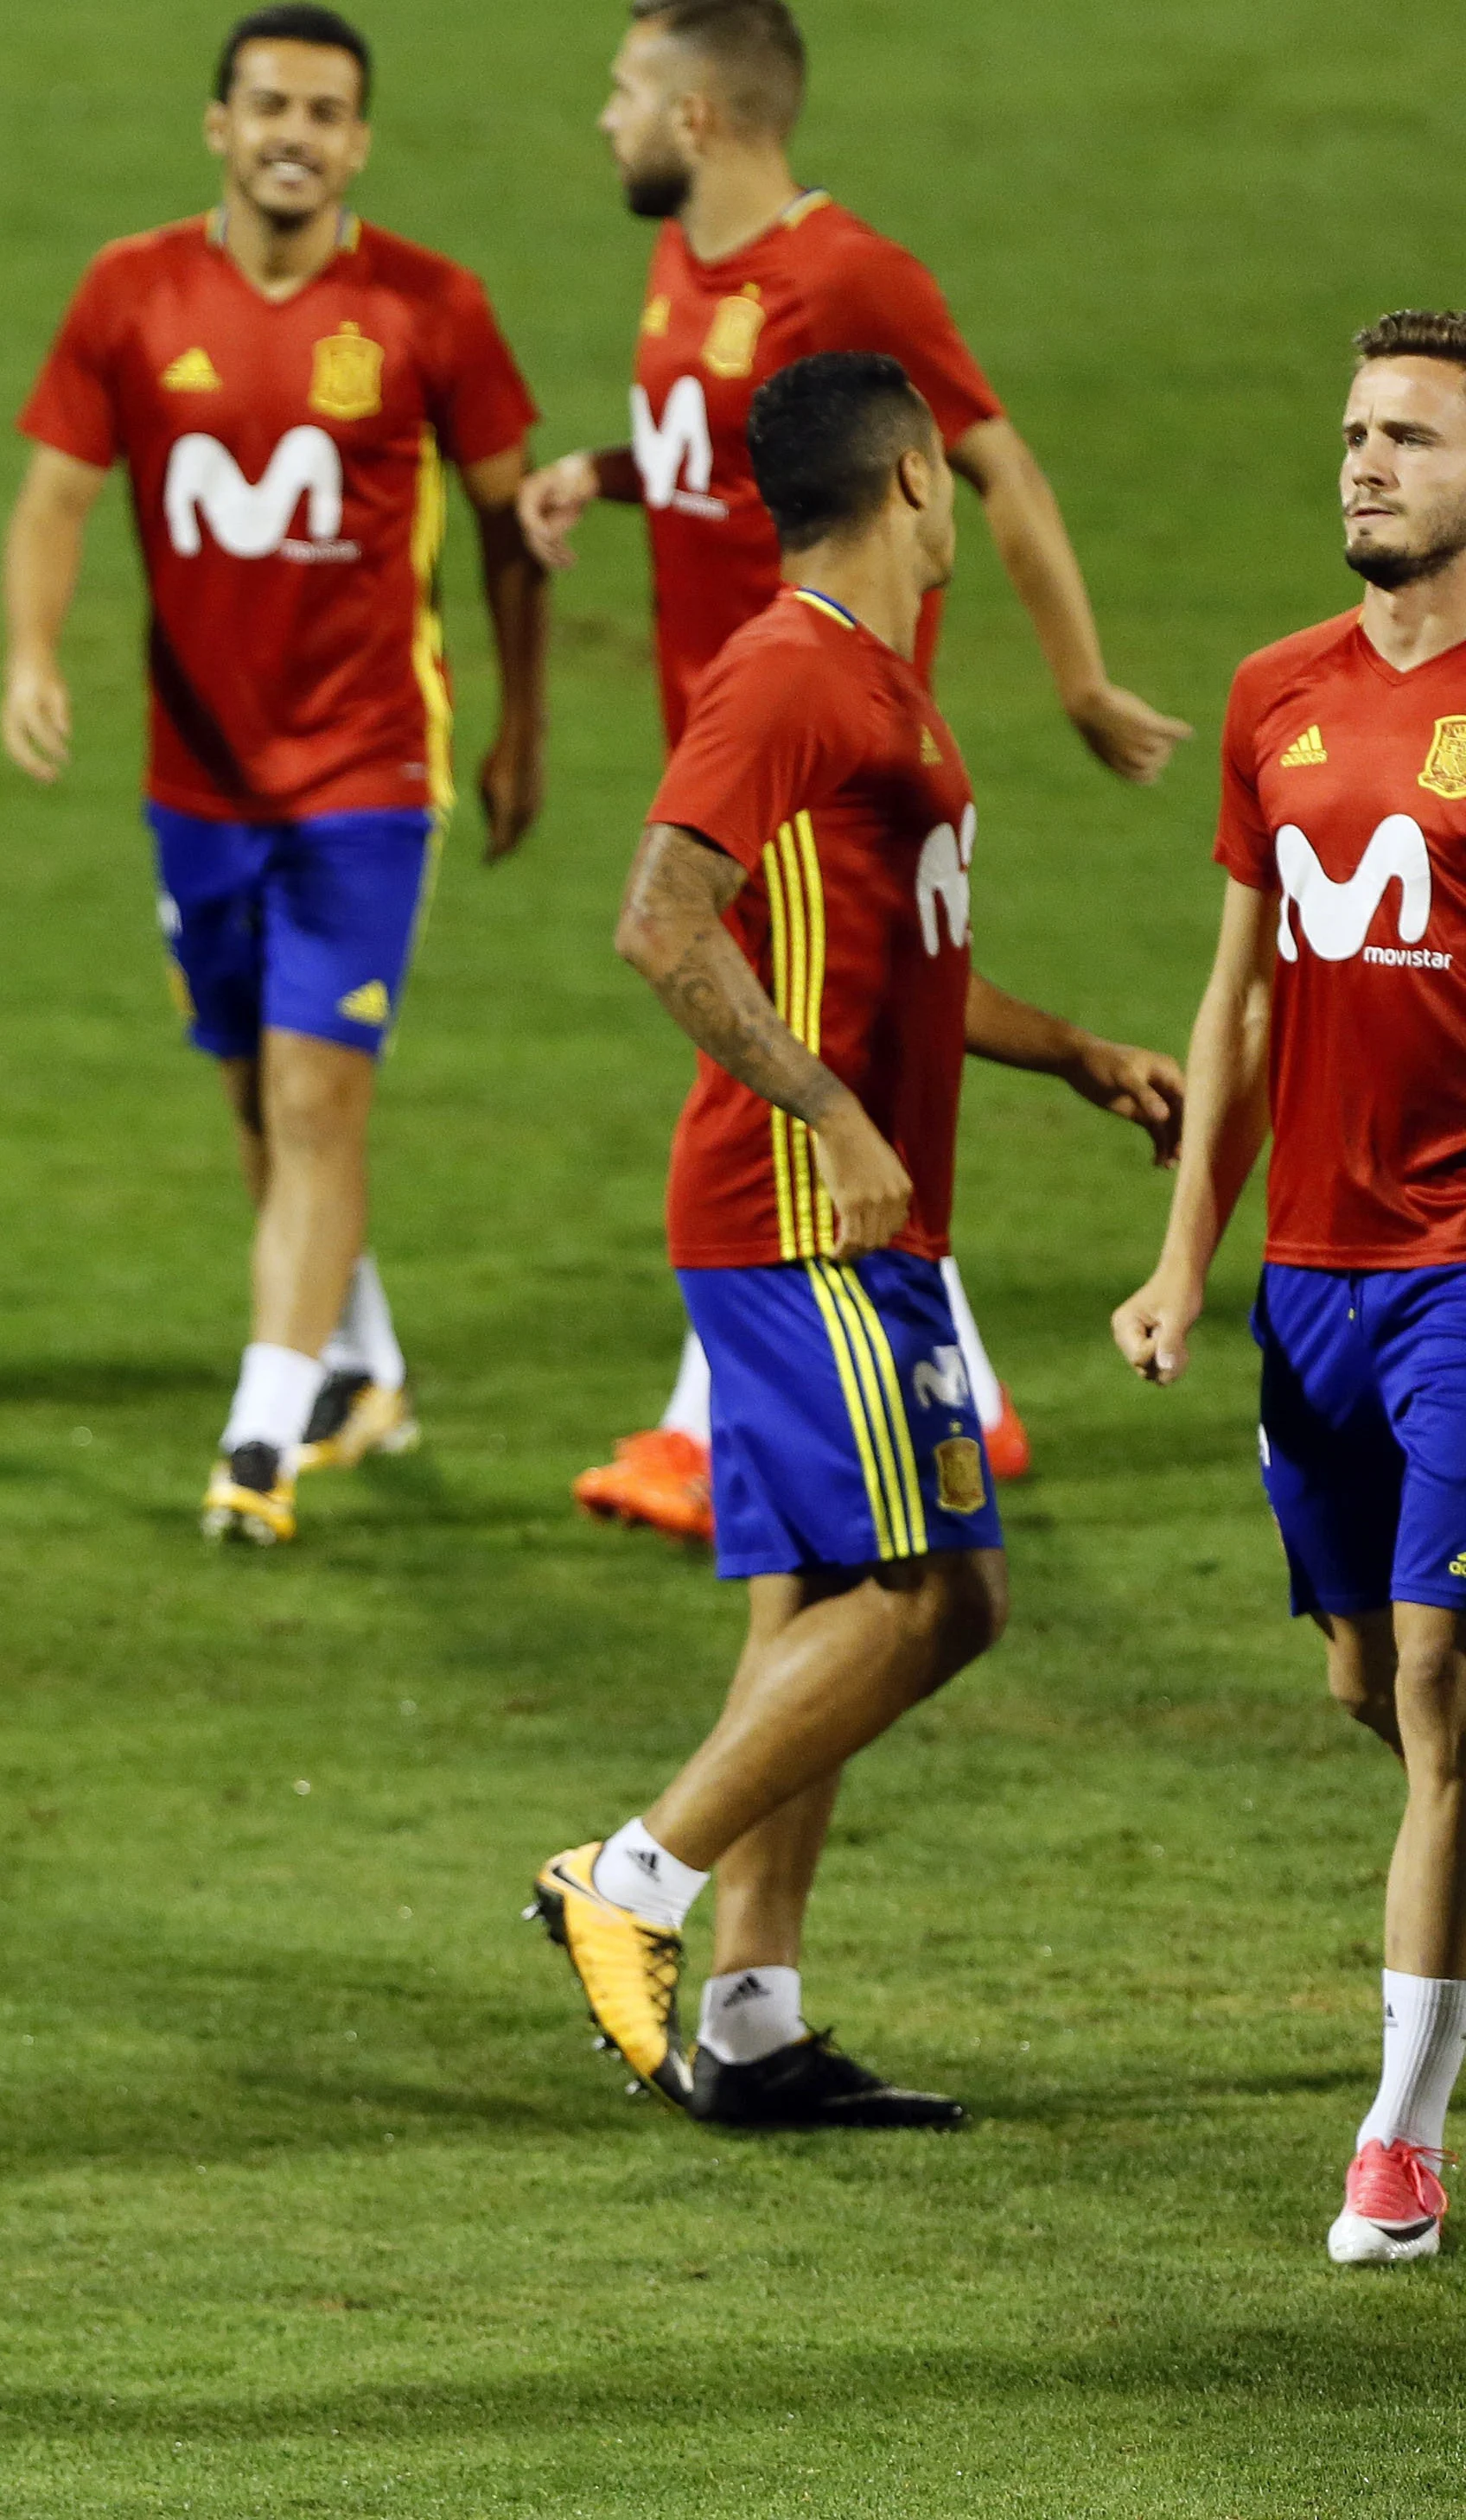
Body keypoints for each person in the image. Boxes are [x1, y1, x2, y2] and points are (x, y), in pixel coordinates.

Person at [531, 355, 1179, 2132]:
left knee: (818, 1601)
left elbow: (901, 966)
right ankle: (629, 1886)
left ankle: (748, 2021)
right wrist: (827, 1114)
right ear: (911, 480)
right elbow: (663, 926)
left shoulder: (879, 686)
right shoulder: (792, 671)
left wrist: (1075, 1059)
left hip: (835, 1208)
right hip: (804, 1221)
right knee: (944, 1593)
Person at [519, 0, 1187, 1539]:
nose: (601, 118)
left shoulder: (845, 274)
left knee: (790, 1043)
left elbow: (987, 459)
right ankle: (899, 1391)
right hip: (734, 734)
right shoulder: (679, 266)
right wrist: (599, 476)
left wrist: (1074, 674)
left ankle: (729, 1420)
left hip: (825, 745)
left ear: (695, 115)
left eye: (621, 90)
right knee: (810, 1045)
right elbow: (722, 467)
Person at [3, 6, 549, 1543]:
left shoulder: (431, 309)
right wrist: (31, 657)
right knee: (256, 1091)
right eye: (266, 106)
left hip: (368, 771)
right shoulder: (130, 291)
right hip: (195, 777)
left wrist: (520, 727)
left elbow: (509, 536)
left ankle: (258, 1436)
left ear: (359, 141)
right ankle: (358, 1365)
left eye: (323, 110)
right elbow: (52, 497)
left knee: (316, 1098)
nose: (293, 132)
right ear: (216, 126)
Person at [1111, 313, 1466, 2262]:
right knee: (1369, 1687)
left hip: (1462, 1278)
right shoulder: (1276, 698)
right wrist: (1183, 1260)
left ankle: (1400, 2148)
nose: (1364, 461)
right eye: (1354, 431)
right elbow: (1238, 997)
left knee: (1436, 1680)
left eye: (1409, 437)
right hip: (1308, 1284)